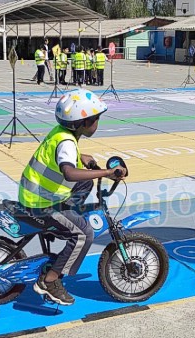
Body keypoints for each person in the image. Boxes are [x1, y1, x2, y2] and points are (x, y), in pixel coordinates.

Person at [18, 88, 127, 305]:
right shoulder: (67, 143)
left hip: (37, 194)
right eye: (95, 119)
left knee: (85, 181)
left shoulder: (63, 134)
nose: (98, 123)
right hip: (41, 203)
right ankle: (49, 281)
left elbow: (65, 160)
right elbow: (68, 172)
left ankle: (67, 220)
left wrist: (81, 157)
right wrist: (106, 172)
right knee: (84, 233)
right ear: (82, 123)